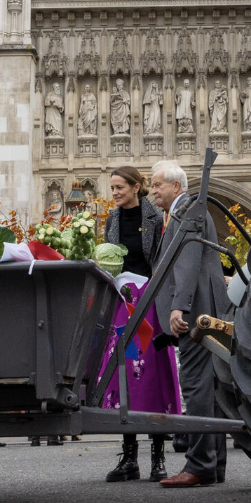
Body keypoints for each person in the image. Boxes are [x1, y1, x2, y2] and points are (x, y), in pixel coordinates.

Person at [149, 160, 230, 487]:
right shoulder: (187, 210)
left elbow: (188, 261)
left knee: (196, 384)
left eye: (157, 185)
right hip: (204, 306)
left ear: (176, 186)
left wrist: (179, 307)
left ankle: (199, 465)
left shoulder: (188, 211)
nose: (153, 191)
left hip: (195, 310)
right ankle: (214, 465)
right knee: (209, 388)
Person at [99, 166, 178, 482]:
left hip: (150, 303)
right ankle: (129, 457)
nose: (115, 193)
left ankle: (158, 457)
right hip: (123, 302)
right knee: (125, 376)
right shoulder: (112, 220)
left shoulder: (156, 219)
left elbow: (160, 261)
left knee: (152, 377)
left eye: (119, 187)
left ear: (136, 187)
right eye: (113, 187)